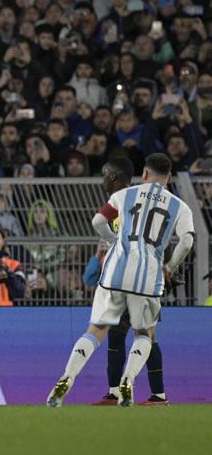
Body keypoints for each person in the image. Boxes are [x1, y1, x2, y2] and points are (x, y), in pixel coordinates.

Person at [48, 154, 195, 407]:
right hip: (148, 275)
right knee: (145, 333)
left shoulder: (123, 195)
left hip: (116, 270)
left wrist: (113, 241)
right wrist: (169, 267)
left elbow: (98, 221)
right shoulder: (180, 206)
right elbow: (188, 240)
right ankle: (128, 380)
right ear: (169, 178)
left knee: (96, 330)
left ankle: (67, 377)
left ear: (145, 174)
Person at [85, 157, 169, 405]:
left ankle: (154, 395)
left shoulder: (125, 201)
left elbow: (103, 226)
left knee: (143, 335)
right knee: (123, 334)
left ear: (113, 176)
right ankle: (124, 392)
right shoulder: (140, 199)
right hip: (134, 279)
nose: (103, 179)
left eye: (104, 174)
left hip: (135, 278)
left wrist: (113, 241)